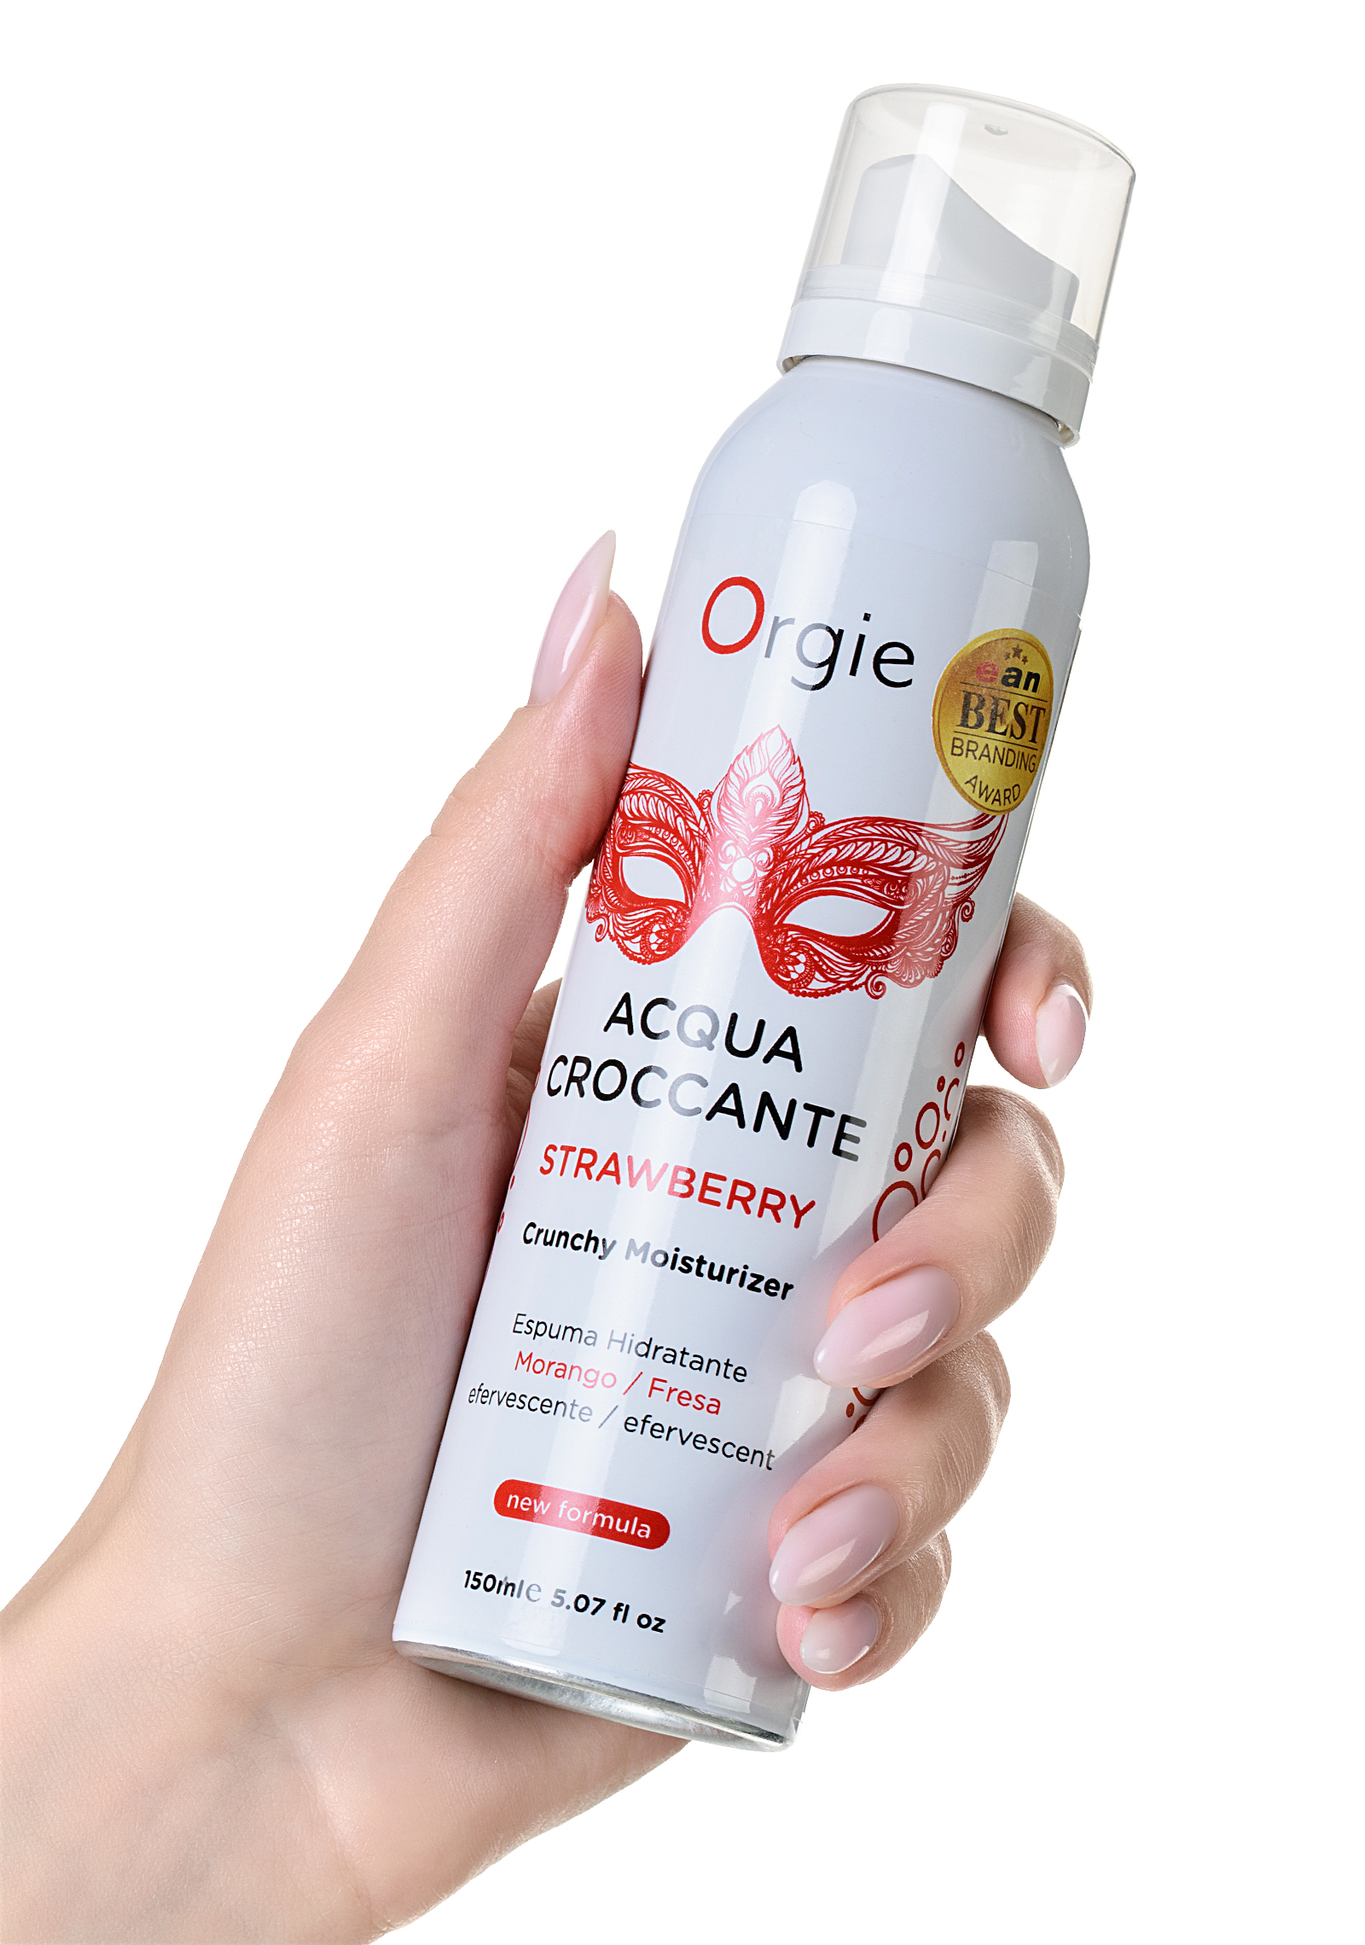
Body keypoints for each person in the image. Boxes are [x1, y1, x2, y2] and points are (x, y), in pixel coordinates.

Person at [1, 540, 1090, 1940]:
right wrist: (206, 1667)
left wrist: (246, 1756)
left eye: (835, 909)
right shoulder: (829, 492)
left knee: (900, 1045)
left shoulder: (1019, 539)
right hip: (465, 1539)